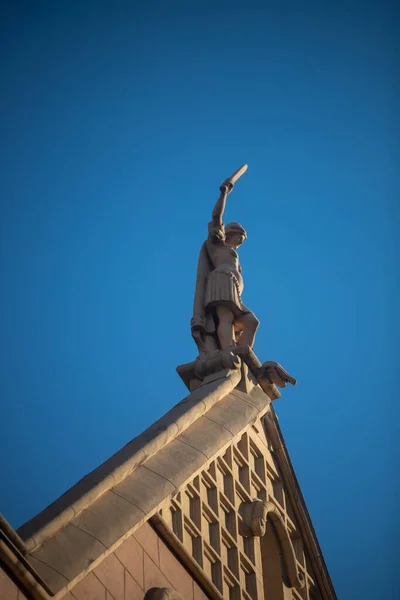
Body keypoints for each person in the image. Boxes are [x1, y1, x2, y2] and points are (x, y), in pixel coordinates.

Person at [191, 180, 259, 355]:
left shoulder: (231, 251)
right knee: (226, 317)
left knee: (251, 322)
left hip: (234, 287)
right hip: (222, 280)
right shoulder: (217, 244)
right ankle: (228, 350)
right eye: (240, 237)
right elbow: (216, 217)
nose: (241, 241)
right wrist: (224, 193)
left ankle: (241, 352)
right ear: (232, 233)